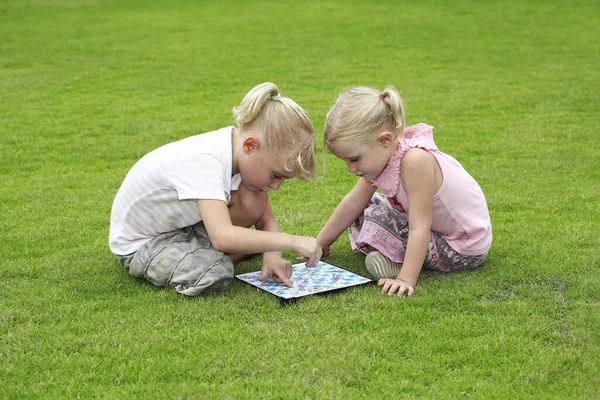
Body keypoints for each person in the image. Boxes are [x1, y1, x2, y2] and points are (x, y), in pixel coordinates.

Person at [109, 82, 322, 296]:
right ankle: (221, 256)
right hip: (144, 244)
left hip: (182, 229)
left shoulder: (236, 150)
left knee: (254, 197)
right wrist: (292, 241)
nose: (276, 186)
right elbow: (222, 237)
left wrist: (273, 254)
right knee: (215, 272)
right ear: (250, 146)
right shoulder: (205, 161)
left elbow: (266, 220)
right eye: (276, 175)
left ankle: (225, 250)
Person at [316, 86, 492, 296]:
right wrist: (321, 242)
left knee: (374, 214)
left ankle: (398, 266)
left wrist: (405, 279)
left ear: (385, 140)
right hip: (435, 235)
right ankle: (390, 255)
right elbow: (354, 202)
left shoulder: (416, 162)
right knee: (362, 210)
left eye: (354, 159)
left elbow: (420, 227)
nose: (351, 169)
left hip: (460, 248)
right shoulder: (384, 158)